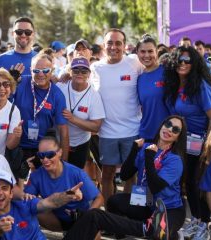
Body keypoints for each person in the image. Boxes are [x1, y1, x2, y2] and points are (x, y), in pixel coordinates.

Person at [164, 46, 211, 239]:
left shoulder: (200, 85)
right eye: (179, 60)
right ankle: (196, 220)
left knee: (198, 183)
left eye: (187, 60)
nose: (183, 63)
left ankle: (204, 224)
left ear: (194, 63)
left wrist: (208, 144)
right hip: (181, 143)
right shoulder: (175, 84)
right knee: (188, 182)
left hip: (199, 142)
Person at [107, 115, 187, 239]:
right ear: (162, 125)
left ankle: (174, 235)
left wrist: (149, 158)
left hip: (169, 209)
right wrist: (134, 149)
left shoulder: (175, 160)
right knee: (113, 202)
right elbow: (124, 175)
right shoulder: (146, 147)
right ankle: (122, 235)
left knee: (158, 234)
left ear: (177, 138)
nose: (170, 130)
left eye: (175, 130)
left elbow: (155, 187)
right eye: (168, 124)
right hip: (146, 201)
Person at [90, 28, 144, 207]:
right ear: (103, 46)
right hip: (106, 132)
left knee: (131, 175)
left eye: (118, 43)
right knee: (107, 175)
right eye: (110, 43)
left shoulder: (135, 62)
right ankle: (110, 212)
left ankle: (126, 211)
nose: (114, 47)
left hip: (132, 130)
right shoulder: (95, 67)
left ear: (124, 45)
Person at [24, 136, 104, 232]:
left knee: (93, 233)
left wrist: (88, 218)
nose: (45, 159)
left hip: (81, 218)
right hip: (56, 219)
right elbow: (25, 201)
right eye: (41, 155)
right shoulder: (36, 176)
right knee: (30, 207)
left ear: (60, 153)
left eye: (49, 154)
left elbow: (99, 198)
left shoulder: (76, 173)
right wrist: (22, 173)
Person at [0, 170, 84, 240]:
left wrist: (69, 194)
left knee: (94, 216)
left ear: (11, 193)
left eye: (4, 188)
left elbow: (49, 202)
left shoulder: (24, 203)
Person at [13, 53, 69, 179]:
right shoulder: (20, 83)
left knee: (41, 187)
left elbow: (63, 130)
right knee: (18, 188)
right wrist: (9, 79)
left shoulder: (57, 95)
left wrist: (64, 164)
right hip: (17, 145)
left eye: (45, 70)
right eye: (36, 70)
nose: (40, 74)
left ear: (52, 71)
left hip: (42, 150)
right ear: (30, 70)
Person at [57, 57, 105, 169]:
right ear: (70, 72)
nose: (80, 74)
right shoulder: (60, 87)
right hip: (58, 141)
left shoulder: (94, 95)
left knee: (75, 177)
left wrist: (73, 118)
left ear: (89, 74)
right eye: (76, 70)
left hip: (80, 144)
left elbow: (96, 127)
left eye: (84, 71)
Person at [136, 34, 169, 142]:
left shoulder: (167, 72)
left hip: (167, 135)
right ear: (137, 53)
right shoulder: (138, 78)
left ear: (156, 52)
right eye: (143, 51)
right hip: (146, 135)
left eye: (150, 51)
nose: (146, 55)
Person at [0, 17, 37, 83]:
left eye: (28, 32)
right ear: (12, 34)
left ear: (33, 34)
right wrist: (10, 79)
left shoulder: (40, 59)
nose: (23, 35)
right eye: (19, 32)